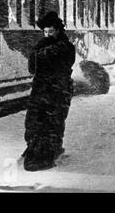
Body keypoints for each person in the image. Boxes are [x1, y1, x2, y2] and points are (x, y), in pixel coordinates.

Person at [22, 11, 75, 171]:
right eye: (45, 32)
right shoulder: (45, 46)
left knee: (52, 122)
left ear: (58, 31)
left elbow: (50, 61)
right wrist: (38, 52)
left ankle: (46, 153)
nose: (47, 35)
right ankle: (36, 148)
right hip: (41, 90)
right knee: (34, 120)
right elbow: (32, 68)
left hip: (57, 91)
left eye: (50, 31)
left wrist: (37, 51)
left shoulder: (65, 46)